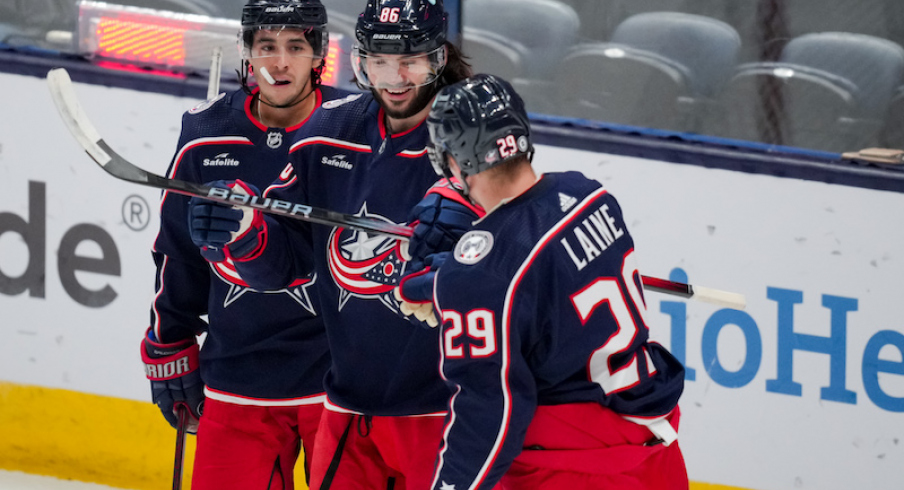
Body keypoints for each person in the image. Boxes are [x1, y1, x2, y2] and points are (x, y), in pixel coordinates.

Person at [185, 1, 478, 489]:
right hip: (348, 408)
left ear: (439, 58)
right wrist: (245, 232)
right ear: (359, 61)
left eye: (411, 60)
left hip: (446, 408)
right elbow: (284, 266)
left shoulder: (476, 136)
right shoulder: (328, 133)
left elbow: (517, 260)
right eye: (379, 61)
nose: (395, 77)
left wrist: (467, 259)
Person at [417, 74, 689, 490]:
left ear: (454, 161)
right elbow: (542, 288)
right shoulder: (589, 195)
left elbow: (489, 411)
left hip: (574, 469)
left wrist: (458, 284)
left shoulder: (481, 275)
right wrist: (447, 284)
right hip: (652, 448)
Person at [139, 1, 356, 489]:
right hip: (239, 375)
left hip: (338, 377)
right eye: (267, 47)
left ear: (320, 53)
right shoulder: (205, 134)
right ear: (246, 51)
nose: (280, 63)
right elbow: (178, 251)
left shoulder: (354, 127)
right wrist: (169, 339)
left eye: (295, 47)